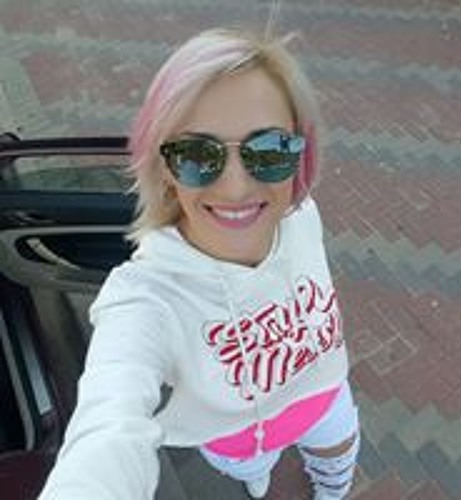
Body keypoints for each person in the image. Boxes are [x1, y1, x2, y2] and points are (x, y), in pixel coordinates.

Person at [39, 27, 360, 500]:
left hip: (325, 399)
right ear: (164, 169)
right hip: (238, 442)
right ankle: (257, 474)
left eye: (270, 150)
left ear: (300, 153)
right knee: (255, 471)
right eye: (195, 154)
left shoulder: (301, 216)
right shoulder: (145, 297)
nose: (236, 187)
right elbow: (108, 426)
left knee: (337, 466)